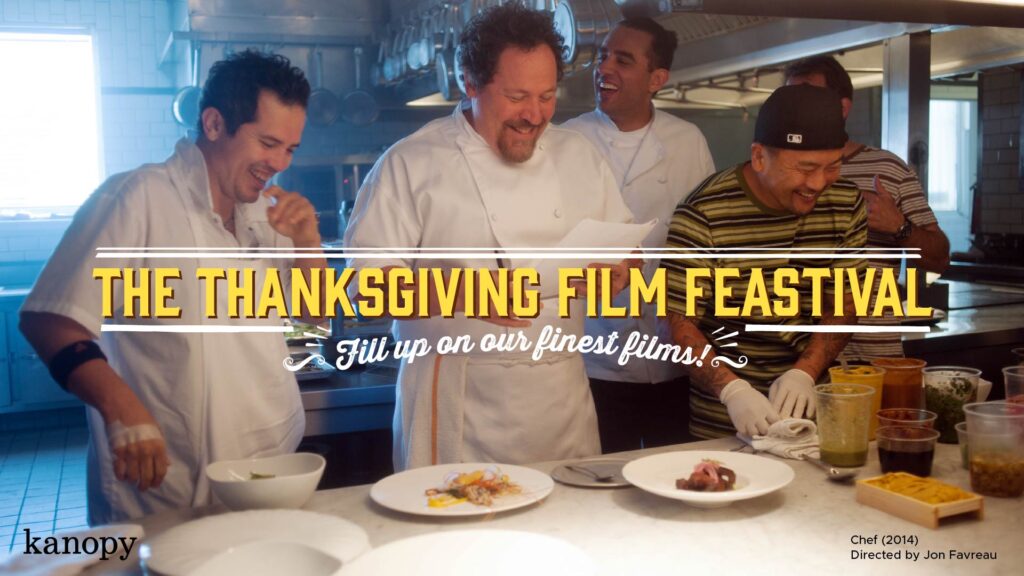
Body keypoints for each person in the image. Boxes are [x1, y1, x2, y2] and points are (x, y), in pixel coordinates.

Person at [19, 50, 325, 524]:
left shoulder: (269, 215)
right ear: (215, 123)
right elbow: (48, 320)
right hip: (167, 485)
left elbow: (308, 333)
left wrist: (308, 246)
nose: (278, 163)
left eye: (290, 149)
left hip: (268, 471)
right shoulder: (138, 197)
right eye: (268, 143)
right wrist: (124, 410)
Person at [344, 4, 635, 471]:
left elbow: (627, 252)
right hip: (459, 412)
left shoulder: (579, 154)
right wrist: (467, 293)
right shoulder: (412, 163)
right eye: (518, 96)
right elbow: (366, 291)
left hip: (561, 410)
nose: (534, 115)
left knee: (565, 536)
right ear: (471, 82)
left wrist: (621, 273)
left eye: (546, 95)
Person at [663, 84, 868, 438]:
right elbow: (678, 322)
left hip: (812, 417)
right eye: (805, 169)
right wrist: (733, 390)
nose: (818, 183)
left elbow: (847, 302)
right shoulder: (704, 213)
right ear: (759, 157)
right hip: (725, 423)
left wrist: (805, 371)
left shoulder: (847, 202)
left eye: (832, 166)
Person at [562, 18, 714, 452]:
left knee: (677, 473)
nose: (604, 67)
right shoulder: (566, 141)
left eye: (622, 59)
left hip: (672, 352)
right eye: (603, 55)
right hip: (595, 354)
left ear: (657, 79)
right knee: (604, 478)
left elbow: (704, 243)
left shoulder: (687, 141)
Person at [784, 55, 950, 360]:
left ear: (842, 108)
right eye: (789, 97)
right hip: (789, 359)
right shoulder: (774, 171)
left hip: (872, 358)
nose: (795, 107)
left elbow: (939, 258)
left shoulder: (887, 169)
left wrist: (898, 226)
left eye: (807, 95)